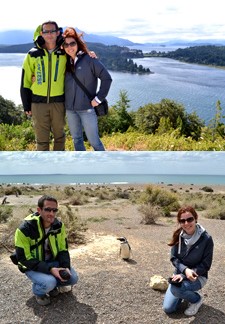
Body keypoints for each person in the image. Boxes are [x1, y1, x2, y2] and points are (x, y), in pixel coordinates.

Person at [14, 195, 78, 306]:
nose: (51, 214)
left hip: (52, 262)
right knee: (49, 282)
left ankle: (51, 286)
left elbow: (63, 249)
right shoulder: (24, 230)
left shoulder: (59, 226)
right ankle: (39, 291)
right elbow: (24, 258)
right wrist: (50, 269)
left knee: (73, 278)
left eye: (54, 210)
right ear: (39, 210)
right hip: (32, 265)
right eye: (47, 209)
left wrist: (65, 266)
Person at [62, 27, 112, 151]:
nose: (69, 47)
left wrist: (98, 99)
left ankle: (104, 167)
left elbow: (107, 79)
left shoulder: (89, 60)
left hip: (87, 109)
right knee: (77, 139)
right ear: (62, 47)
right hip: (70, 110)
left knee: (94, 142)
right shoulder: (64, 62)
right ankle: (82, 166)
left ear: (78, 44)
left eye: (72, 43)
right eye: (66, 44)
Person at [20, 21, 66, 151]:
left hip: (59, 102)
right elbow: (25, 81)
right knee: (41, 140)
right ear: (41, 33)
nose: (49, 34)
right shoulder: (33, 54)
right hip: (38, 103)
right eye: (46, 31)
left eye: (52, 31)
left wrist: (89, 53)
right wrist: (26, 104)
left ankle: (59, 167)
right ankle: (43, 168)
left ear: (58, 33)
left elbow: (77, 58)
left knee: (60, 137)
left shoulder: (64, 52)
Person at [162, 206, 214, 316]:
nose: (186, 223)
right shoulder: (178, 235)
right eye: (182, 220)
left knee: (177, 290)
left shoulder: (206, 239)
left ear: (195, 218)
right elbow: (174, 258)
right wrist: (184, 271)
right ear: (180, 222)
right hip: (180, 274)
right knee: (168, 309)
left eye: (189, 219)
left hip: (198, 276)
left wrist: (187, 274)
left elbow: (206, 265)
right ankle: (183, 291)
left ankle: (196, 299)